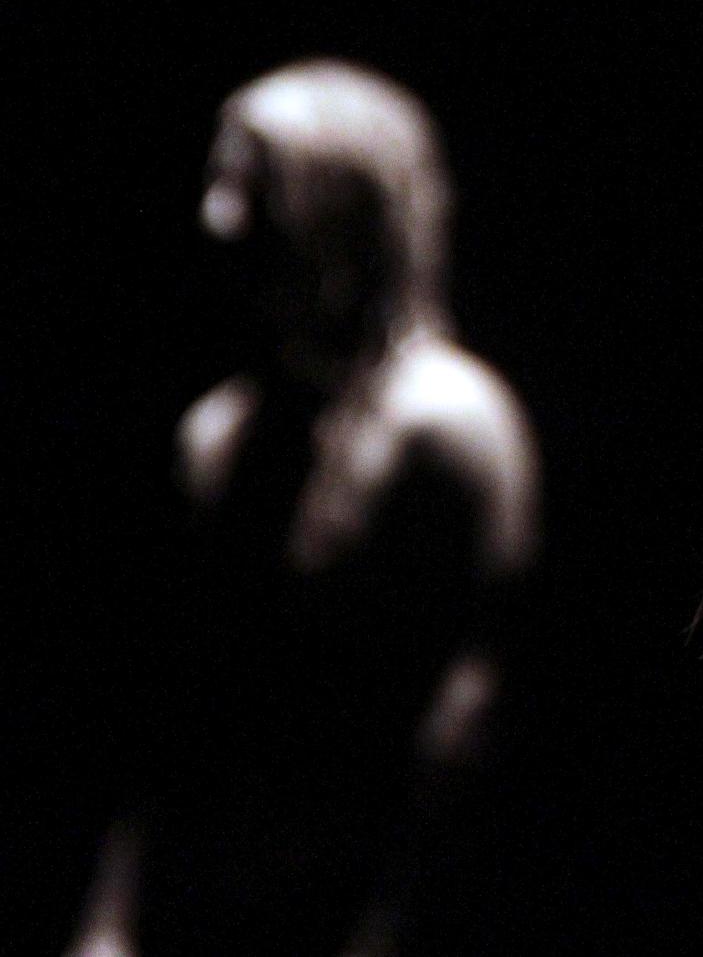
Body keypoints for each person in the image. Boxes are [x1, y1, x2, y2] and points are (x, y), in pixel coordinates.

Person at [68, 60, 539, 957]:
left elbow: (469, 718)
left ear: (344, 205)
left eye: (257, 184)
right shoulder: (220, 435)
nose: (220, 216)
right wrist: (110, 921)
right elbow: (178, 709)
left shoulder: (450, 425)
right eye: (220, 181)